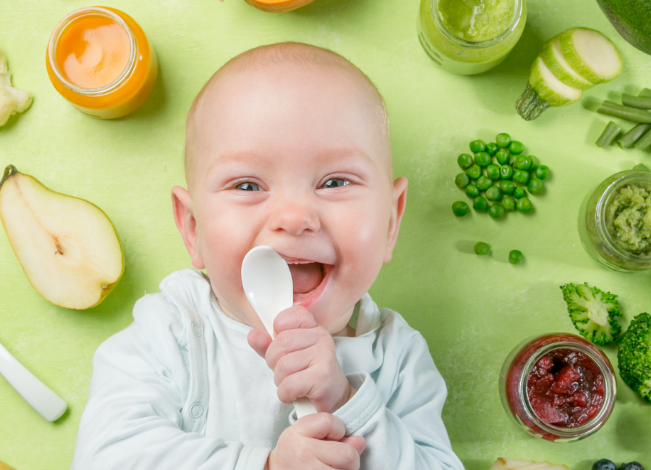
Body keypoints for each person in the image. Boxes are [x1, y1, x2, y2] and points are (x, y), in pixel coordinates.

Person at [72, 43, 464, 470]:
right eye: (247, 186)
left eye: (334, 182)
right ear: (193, 229)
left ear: (390, 222)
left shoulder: (398, 358)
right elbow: (103, 458)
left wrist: (346, 403)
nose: (295, 217)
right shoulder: (169, 335)